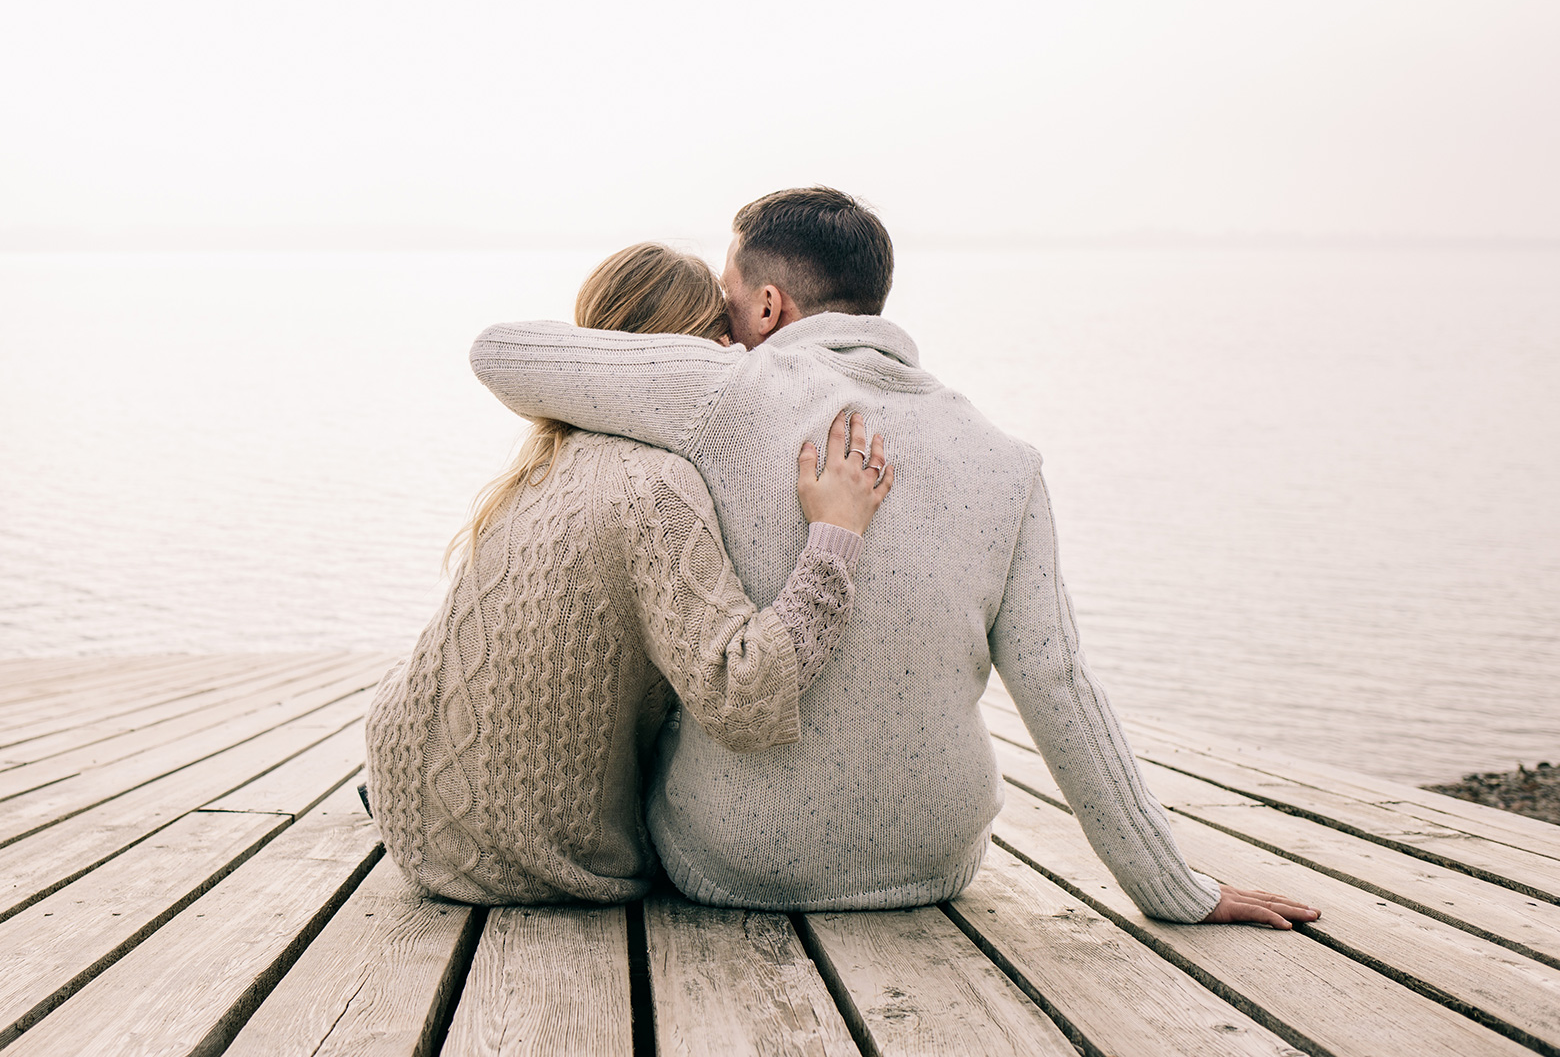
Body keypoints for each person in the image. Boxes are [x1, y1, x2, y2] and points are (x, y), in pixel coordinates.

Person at [469, 188, 1318, 928]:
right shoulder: (1006, 459)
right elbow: (1059, 686)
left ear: (767, 307)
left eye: (727, 309)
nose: (720, 334)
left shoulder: (724, 393)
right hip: (933, 867)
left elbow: (500, 353)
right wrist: (1179, 888)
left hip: (732, 867)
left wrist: (682, 359)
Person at [365, 242, 893, 905]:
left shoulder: (541, 462)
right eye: (721, 341)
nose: (737, 359)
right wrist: (834, 539)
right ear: (682, 356)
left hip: (407, 799)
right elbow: (742, 698)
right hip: (522, 855)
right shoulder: (658, 486)